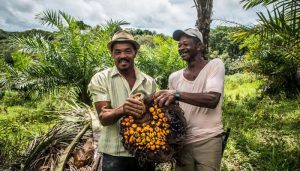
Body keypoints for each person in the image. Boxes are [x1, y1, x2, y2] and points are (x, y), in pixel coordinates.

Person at [153, 28, 225, 171]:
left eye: (186, 44)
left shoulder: (214, 66)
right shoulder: (174, 77)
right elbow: (172, 111)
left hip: (208, 139)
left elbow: (213, 99)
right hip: (182, 142)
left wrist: (177, 94)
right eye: (179, 45)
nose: (181, 48)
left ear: (199, 46)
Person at [88, 30, 156, 171]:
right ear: (112, 54)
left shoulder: (149, 82)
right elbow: (103, 118)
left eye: (127, 51)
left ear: (135, 52)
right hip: (115, 154)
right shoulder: (101, 79)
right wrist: (123, 109)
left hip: (145, 150)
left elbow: (154, 115)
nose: (122, 56)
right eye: (117, 52)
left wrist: (146, 116)